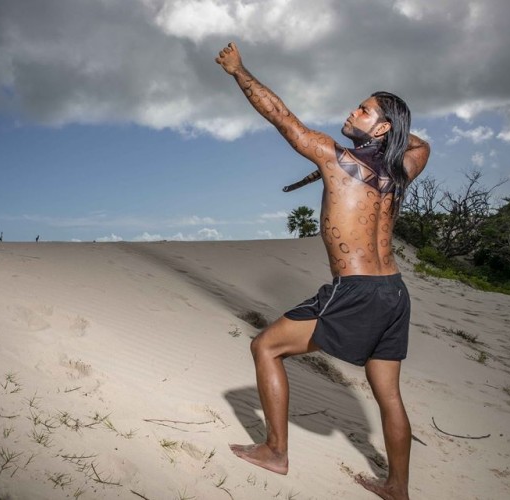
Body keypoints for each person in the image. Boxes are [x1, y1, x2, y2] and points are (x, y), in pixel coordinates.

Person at [216, 42, 430, 500]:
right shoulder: (403, 171)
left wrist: (239, 71)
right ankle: (397, 488)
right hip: (394, 292)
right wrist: (386, 138)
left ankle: (275, 451)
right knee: (388, 394)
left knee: (265, 348)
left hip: (356, 290)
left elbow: (281, 117)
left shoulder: (336, 158)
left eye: (364, 109)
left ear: (383, 125)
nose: (353, 112)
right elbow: (421, 143)